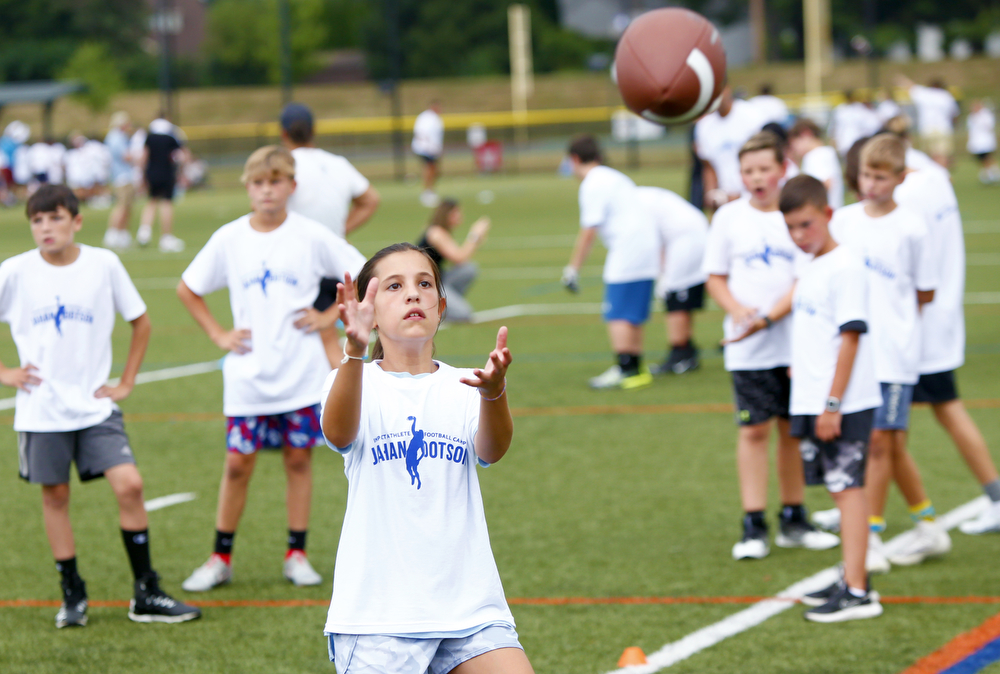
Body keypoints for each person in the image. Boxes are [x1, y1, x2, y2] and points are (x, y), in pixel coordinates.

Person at [319, 243, 534, 674]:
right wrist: (354, 352)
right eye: (394, 286)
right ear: (370, 312)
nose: (413, 294)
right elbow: (338, 432)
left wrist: (494, 393)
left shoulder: (463, 384)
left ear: (441, 306)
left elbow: (492, 450)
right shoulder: (354, 380)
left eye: (424, 284)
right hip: (379, 616)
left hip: (471, 609)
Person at [0, 184, 200, 628]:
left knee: (129, 484)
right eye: (37, 220)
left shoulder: (103, 263)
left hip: (95, 405)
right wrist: (6, 373)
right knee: (55, 496)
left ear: (76, 221)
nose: (46, 228)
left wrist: (127, 381)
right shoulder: (14, 272)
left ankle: (146, 591)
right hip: (41, 410)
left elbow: (141, 321)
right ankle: (73, 593)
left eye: (55, 218)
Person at [177, 146, 366, 592]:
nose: (267, 190)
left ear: (292, 187)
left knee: (299, 461)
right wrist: (219, 335)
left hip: (301, 378)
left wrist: (327, 318)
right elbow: (188, 288)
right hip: (247, 378)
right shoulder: (229, 238)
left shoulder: (311, 235)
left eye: (276, 181)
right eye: (259, 182)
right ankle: (220, 557)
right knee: (237, 466)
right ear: (248, 187)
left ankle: (296, 554)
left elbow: (360, 272)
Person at [702, 131, 839, 560]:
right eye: (747, 171)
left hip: (796, 345)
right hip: (748, 349)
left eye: (764, 169)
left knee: (791, 433)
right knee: (754, 430)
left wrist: (767, 318)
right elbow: (715, 276)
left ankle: (794, 519)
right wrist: (740, 312)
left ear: (784, 169)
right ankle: (754, 523)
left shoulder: (794, 216)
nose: (756, 178)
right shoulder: (728, 218)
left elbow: (805, 278)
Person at [829, 134, 950, 572]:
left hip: (895, 353)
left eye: (881, 177)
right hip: (854, 351)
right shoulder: (843, 221)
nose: (871, 185)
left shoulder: (913, 227)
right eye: (865, 175)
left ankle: (872, 536)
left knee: (880, 441)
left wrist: (894, 323)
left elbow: (925, 291)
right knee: (889, 445)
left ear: (900, 178)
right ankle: (928, 525)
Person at [779, 175, 883, 622]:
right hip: (812, 398)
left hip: (842, 404)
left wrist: (833, 403)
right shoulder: (812, 266)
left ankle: (859, 591)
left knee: (848, 491)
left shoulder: (846, 266)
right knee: (840, 491)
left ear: (828, 214)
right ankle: (850, 575)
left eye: (806, 224)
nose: (800, 236)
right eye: (791, 228)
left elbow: (851, 339)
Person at [280, 102, 381, 365]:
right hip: (337, 262)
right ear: (313, 131)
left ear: (283, 134)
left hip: (298, 266)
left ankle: (340, 400)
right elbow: (371, 199)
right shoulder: (338, 163)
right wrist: (339, 231)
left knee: (312, 345)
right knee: (326, 341)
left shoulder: (283, 167)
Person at [561, 134, 659, 390]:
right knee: (633, 312)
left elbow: (588, 231)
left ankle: (625, 368)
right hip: (648, 246)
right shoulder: (614, 177)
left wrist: (573, 269)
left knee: (617, 312)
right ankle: (636, 369)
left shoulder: (593, 183)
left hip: (628, 249)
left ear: (574, 159)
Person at [635, 185, 708, 375]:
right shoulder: (642, 195)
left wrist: (662, 273)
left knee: (675, 294)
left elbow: (654, 240)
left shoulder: (634, 203)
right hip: (691, 235)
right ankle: (687, 349)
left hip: (687, 240)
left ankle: (680, 354)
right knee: (679, 292)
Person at [417, 198, 490, 323]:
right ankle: (434, 308)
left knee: (469, 268)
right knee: (464, 314)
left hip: (440, 278)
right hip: (428, 284)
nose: (460, 216)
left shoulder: (441, 231)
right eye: (457, 213)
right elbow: (459, 257)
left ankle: (446, 303)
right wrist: (475, 235)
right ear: (447, 215)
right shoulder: (436, 233)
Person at [694, 86, 765, 210]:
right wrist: (711, 194)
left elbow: (765, 157)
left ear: (727, 89)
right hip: (725, 198)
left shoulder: (751, 115)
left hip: (755, 194)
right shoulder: (704, 125)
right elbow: (709, 165)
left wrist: (745, 192)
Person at [137, 116, 186, 253]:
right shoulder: (171, 139)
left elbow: (144, 158)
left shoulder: (149, 138)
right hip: (166, 174)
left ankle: (144, 231)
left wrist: (142, 176)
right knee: (166, 203)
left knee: (151, 201)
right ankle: (166, 237)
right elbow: (181, 156)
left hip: (151, 174)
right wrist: (181, 173)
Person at [898, 75, 959, 170]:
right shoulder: (946, 96)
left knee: (930, 156)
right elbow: (954, 114)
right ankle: (942, 175)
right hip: (943, 128)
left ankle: (933, 175)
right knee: (942, 156)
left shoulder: (924, 93)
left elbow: (910, 86)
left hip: (926, 129)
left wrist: (900, 78)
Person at [787, 118, 844, 209]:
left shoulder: (816, 155)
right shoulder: (825, 153)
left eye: (794, 143)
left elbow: (825, 184)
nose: (795, 150)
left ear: (805, 133)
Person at [103, 112, 137, 250]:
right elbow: (126, 156)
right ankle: (112, 233)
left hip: (125, 176)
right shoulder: (116, 137)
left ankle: (122, 233)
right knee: (122, 206)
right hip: (121, 176)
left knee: (127, 207)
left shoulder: (119, 137)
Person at [828, 90, 881, 158]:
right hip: (844, 142)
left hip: (858, 140)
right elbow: (834, 127)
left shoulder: (859, 108)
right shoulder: (840, 109)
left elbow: (872, 124)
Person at [412, 100, 444, 207]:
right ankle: (427, 192)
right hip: (425, 148)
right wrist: (428, 146)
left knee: (434, 169)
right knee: (429, 168)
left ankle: (430, 190)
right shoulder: (425, 117)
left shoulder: (436, 118)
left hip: (433, 149)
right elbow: (421, 133)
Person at [967, 99, 999, 184]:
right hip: (977, 142)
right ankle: (989, 174)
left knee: (987, 158)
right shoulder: (971, 116)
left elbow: (988, 126)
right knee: (981, 159)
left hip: (985, 141)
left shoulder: (986, 115)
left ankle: (992, 174)